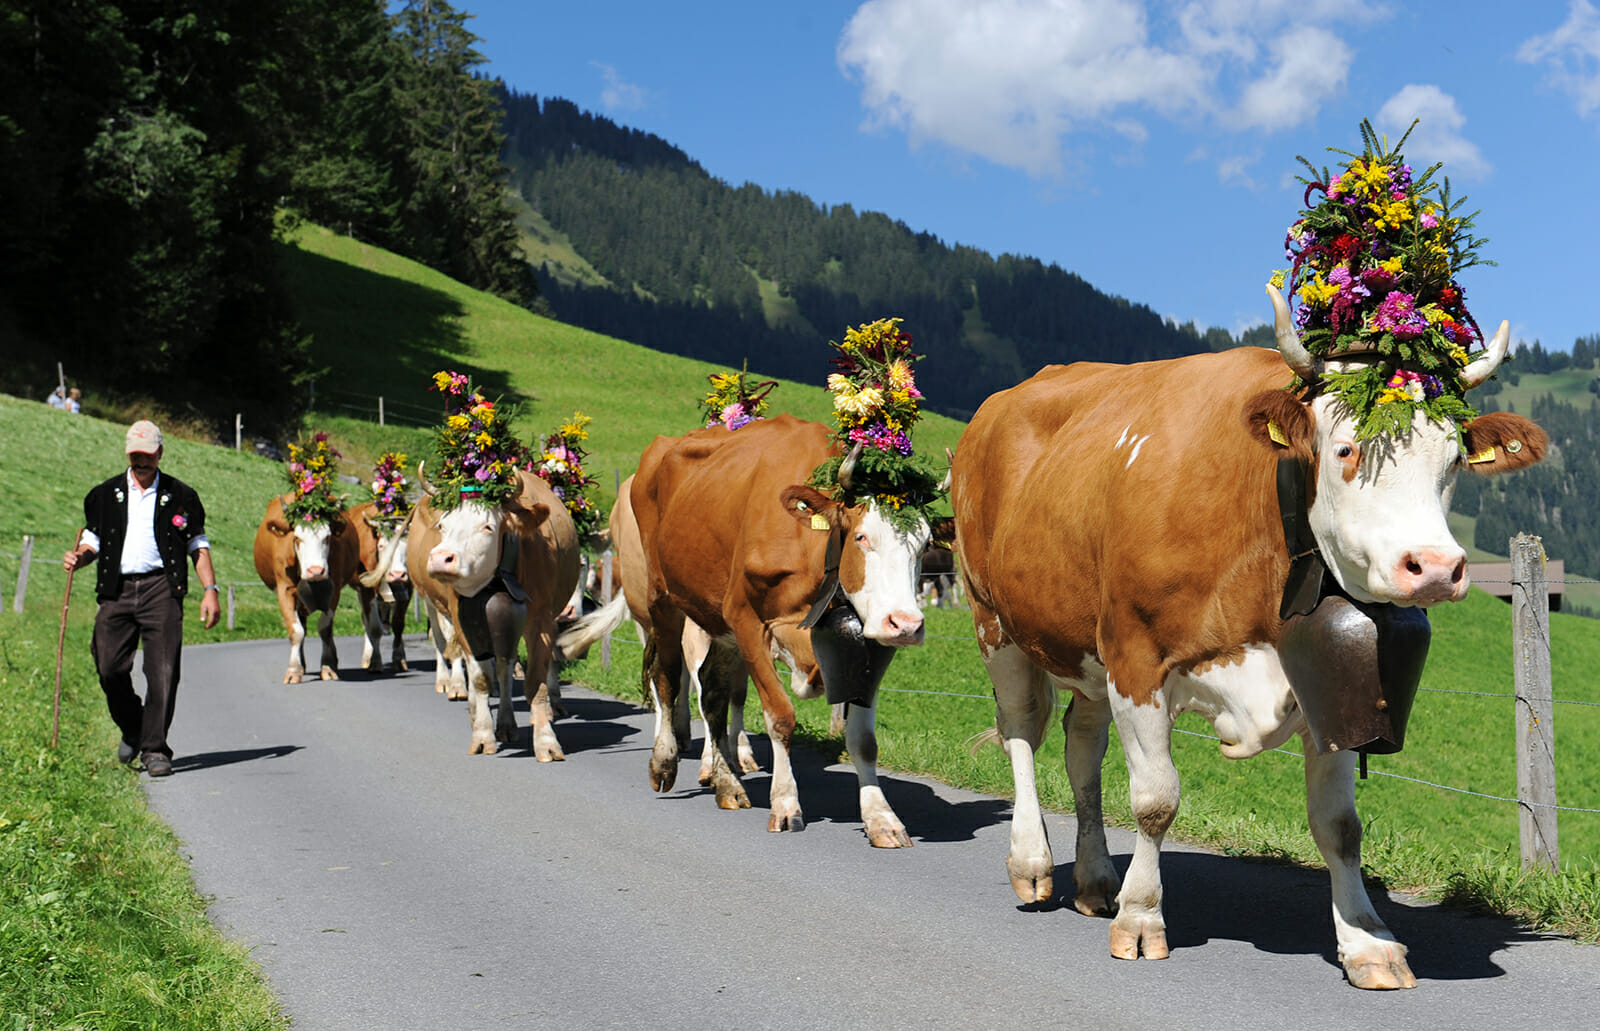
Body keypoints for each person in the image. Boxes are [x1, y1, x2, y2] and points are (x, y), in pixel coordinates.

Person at [63, 420, 220, 777]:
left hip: (161, 589)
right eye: (135, 455)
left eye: (147, 455)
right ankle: (134, 725)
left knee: (163, 671)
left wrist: (210, 591)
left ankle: (154, 749)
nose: (141, 462)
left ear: (160, 453)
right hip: (116, 590)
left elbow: (198, 546)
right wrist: (80, 558)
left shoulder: (182, 496)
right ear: (127, 453)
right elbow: (93, 541)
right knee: (109, 666)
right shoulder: (104, 494)